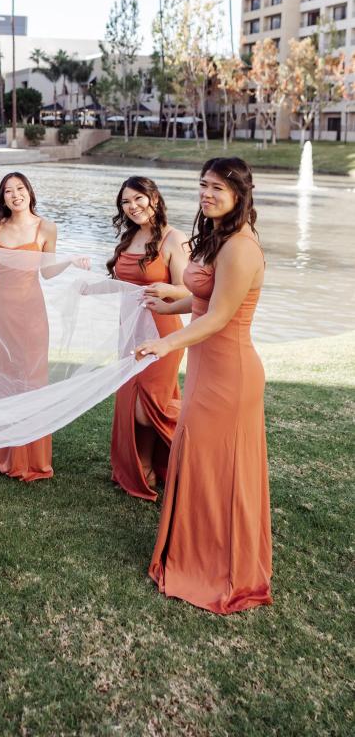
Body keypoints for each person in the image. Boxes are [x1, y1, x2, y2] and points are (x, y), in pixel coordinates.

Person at [138, 157, 272, 614]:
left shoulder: (241, 248)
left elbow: (218, 317)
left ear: (239, 194)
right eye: (203, 185)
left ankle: (222, 565)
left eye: (217, 188)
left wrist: (166, 342)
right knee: (198, 459)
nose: (206, 194)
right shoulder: (218, 237)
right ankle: (194, 550)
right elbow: (204, 297)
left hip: (230, 374)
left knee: (220, 469)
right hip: (204, 369)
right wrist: (171, 300)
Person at [0, 173, 59, 482]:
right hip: (0, 310)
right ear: (2, 197)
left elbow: (49, 272)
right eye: (8, 191)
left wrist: (72, 262)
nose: (15, 194)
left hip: (31, 313)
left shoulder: (46, 227)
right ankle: (2, 449)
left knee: (30, 377)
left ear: (29, 191)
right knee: (3, 375)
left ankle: (30, 455)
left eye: (20, 188)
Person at [107, 177, 188, 499]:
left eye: (138, 198)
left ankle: (196, 442)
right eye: (126, 202)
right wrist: (86, 285)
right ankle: (144, 467)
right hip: (129, 332)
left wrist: (168, 289)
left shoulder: (173, 238)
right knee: (132, 403)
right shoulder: (129, 237)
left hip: (162, 329)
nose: (133, 206)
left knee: (148, 407)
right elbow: (122, 283)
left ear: (154, 198)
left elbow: (190, 290)